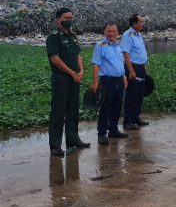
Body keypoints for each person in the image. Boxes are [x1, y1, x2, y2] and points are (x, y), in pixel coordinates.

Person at [46, 8, 91, 156]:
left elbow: (77, 54)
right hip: (61, 78)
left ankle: (73, 139)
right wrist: (71, 72)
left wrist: (81, 70)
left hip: (74, 78)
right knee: (58, 112)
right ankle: (55, 145)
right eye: (66, 17)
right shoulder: (53, 37)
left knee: (73, 109)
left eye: (71, 17)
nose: (69, 20)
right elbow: (55, 59)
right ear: (58, 20)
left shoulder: (73, 36)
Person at [89, 22, 129, 145]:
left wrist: (124, 77)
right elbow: (95, 64)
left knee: (117, 106)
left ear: (117, 32)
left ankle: (113, 129)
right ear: (104, 32)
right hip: (107, 81)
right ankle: (101, 133)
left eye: (114, 31)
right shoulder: (100, 46)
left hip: (119, 80)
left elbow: (120, 63)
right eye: (109, 31)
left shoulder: (119, 45)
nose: (111, 33)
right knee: (105, 107)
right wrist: (95, 82)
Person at [121, 14, 150, 129]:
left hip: (141, 68)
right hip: (133, 68)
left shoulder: (138, 35)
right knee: (131, 94)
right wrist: (131, 71)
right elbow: (125, 53)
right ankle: (127, 120)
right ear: (134, 23)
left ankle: (136, 116)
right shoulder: (127, 36)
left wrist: (144, 67)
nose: (142, 24)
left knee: (139, 94)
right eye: (141, 22)